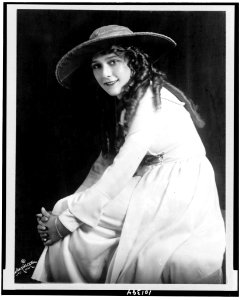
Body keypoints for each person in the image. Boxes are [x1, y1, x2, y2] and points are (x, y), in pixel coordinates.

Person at [32, 25, 225, 284]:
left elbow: (122, 169)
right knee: (67, 207)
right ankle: (72, 282)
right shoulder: (132, 97)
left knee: (73, 221)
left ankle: (69, 285)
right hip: (155, 181)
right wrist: (69, 207)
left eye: (113, 62)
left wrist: (65, 222)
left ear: (134, 61)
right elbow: (104, 164)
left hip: (178, 191)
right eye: (97, 66)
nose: (105, 74)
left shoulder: (148, 101)